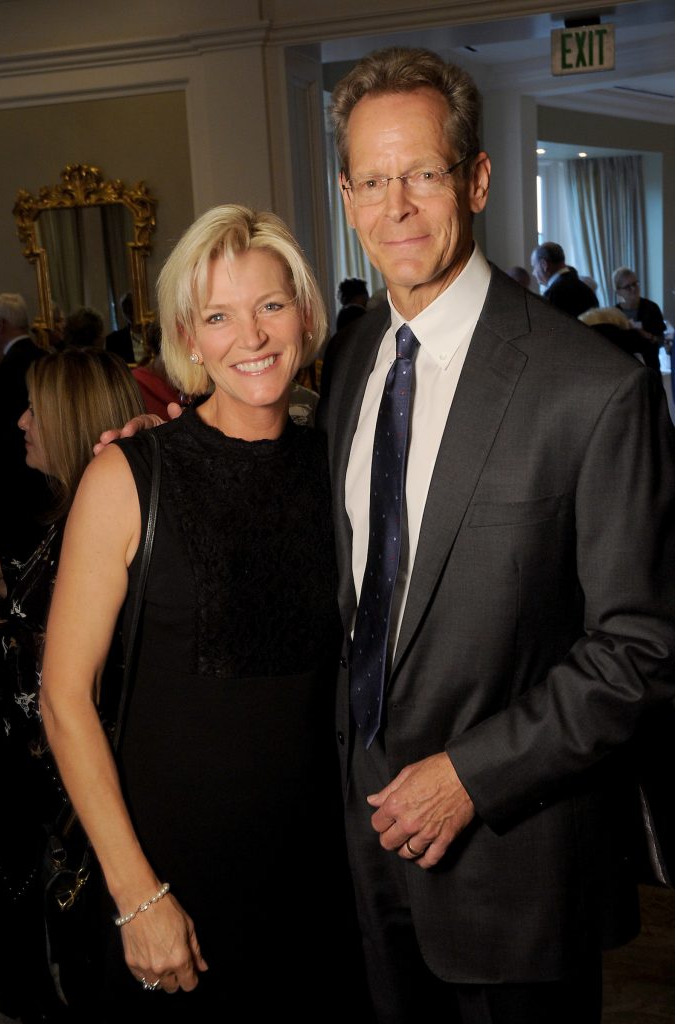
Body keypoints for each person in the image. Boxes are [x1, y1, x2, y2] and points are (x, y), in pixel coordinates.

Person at [316, 45, 675, 1023]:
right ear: (345, 196)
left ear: (473, 178)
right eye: (373, 181)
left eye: (422, 174)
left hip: (512, 875)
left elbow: (638, 649)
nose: (397, 207)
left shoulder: (592, 388)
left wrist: (470, 778)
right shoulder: (349, 359)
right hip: (357, 858)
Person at [39, 205, 366, 1021]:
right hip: (171, 892)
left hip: (323, 891)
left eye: (270, 306)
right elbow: (64, 698)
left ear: (305, 313)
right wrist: (137, 895)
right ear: (188, 333)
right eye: (218, 315)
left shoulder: (341, 466)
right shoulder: (129, 476)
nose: (249, 336)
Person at [0, 348, 145, 1024]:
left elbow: (46, 695)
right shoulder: (65, 524)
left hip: (74, 824)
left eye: (37, 409)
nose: (23, 421)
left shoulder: (95, 533)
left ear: (72, 419)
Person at [0, 292, 51, 563]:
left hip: (16, 494)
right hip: (49, 489)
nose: (23, 420)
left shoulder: (4, 373)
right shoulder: (47, 357)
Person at [613, 265, 666, 370]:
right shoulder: (614, 313)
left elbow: (661, 341)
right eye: (628, 287)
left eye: (635, 284)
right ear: (618, 291)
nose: (633, 289)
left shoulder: (651, 308)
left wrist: (648, 336)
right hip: (625, 368)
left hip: (650, 366)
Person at [530, 241, 599, 317]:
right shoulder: (586, 289)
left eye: (534, 267)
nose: (533, 273)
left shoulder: (554, 294)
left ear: (544, 265)